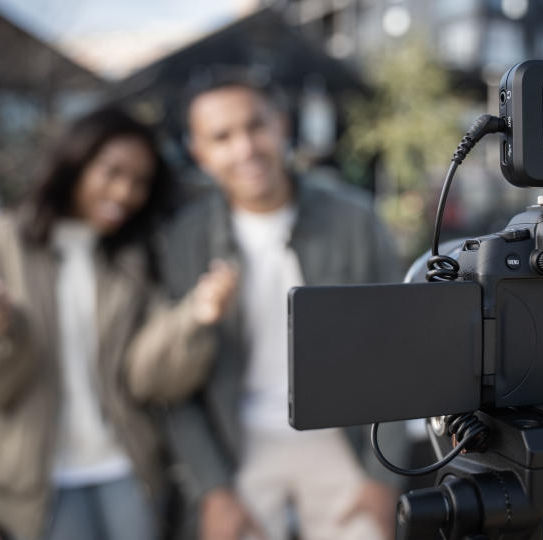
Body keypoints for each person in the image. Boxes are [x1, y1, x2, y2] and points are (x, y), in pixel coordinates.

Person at [0, 107, 237, 540]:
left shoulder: (134, 258)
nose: (125, 192)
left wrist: (196, 316)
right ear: (75, 162)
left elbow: (146, 377)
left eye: (140, 181)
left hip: (129, 467)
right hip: (33, 481)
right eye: (112, 172)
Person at [159, 73, 410, 540]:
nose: (245, 148)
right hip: (240, 441)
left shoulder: (354, 219)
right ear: (199, 152)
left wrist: (383, 478)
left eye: (256, 126)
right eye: (221, 136)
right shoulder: (185, 240)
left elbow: (396, 351)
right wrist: (212, 489)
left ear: (281, 125)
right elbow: (175, 383)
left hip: (343, 437)